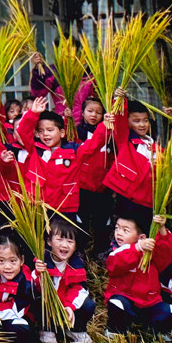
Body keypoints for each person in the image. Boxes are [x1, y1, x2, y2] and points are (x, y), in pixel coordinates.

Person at [104, 211, 172, 340]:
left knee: (169, 310)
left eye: (125, 230)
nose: (119, 233)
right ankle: (115, 330)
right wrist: (137, 248)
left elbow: (166, 253)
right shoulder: (118, 251)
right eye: (117, 228)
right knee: (117, 304)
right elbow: (114, 265)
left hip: (149, 302)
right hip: (126, 299)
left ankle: (156, 332)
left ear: (141, 237)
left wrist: (162, 229)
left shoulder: (151, 253)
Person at [98, 91, 158, 222]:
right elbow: (119, 121)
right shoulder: (125, 140)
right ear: (128, 121)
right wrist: (120, 100)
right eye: (136, 121)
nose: (142, 125)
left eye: (145, 120)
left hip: (148, 202)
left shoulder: (155, 147)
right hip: (127, 199)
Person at [40, 218, 95, 343]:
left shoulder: (76, 264)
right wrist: (38, 273)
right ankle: (47, 328)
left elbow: (79, 289)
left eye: (70, 241)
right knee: (38, 301)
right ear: (49, 241)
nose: (65, 245)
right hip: (49, 304)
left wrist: (69, 306)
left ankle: (75, 330)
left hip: (66, 305)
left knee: (88, 305)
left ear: (75, 246)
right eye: (59, 239)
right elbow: (33, 287)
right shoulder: (42, 261)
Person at [75, 98, 114, 256]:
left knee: (102, 222)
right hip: (82, 187)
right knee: (81, 221)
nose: (94, 115)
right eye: (90, 111)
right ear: (82, 112)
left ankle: (101, 252)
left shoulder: (110, 133)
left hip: (103, 187)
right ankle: (80, 252)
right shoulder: (77, 132)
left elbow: (113, 159)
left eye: (98, 112)